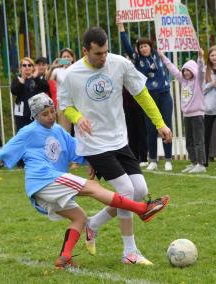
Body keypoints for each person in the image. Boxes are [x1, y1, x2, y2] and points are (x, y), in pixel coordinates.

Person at [0, 93, 170, 269]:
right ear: (35, 115)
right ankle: (142, 208)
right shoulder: (28, 132)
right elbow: (3, 153)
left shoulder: (58, 131)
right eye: (44, 114)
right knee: (93, 187)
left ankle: (64, 258)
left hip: (45, 187)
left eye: (52, 111)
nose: (50, 116)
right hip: (44, 179)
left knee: (80, 218)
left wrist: (92, 162)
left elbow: (79, 150)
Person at [58, 27, 172, 265]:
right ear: (85, 50)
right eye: (98, 53)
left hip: (119, 139)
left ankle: (93, 224)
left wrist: (160, 123)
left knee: (139, 191)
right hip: (94, 144)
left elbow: (141, 94)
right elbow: (65, 106)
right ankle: (129, 252)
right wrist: (78, 118)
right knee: (126, 191)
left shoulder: (120, 64)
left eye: (106, 52)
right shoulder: (71, 74)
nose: (103, 58)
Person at [118, 22, 173, 171]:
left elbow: (164, 38)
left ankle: (168, 159)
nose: (144, 48)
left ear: (150, 46)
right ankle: (153, 160)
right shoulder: (137, 59)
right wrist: (121, 28)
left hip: (165, 95)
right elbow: (127, 47)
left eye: (146, 46)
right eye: (141, 46)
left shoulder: (157, 55)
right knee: (150, 129)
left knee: (166, 125)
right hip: (150, 96)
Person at [159, 49, 206, 173]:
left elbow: (201, 71)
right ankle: (194, 162)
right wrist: (163, 56)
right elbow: (173, 69)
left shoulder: (198, 82)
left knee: (198, 140)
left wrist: (200, 58)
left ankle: (201, 164)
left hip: (197, 115)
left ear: (193, 71)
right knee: (189, 140)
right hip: (187, 115)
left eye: (188, 70)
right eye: (184, 70)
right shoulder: (183, 81)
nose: (185, 72)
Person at [11, 57, 49, 132]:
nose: (27, 67)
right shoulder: (17, 78)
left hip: (37, 113)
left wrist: (35, 78)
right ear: (20, 68)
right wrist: (22, 80)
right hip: (21, 113)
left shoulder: (38, 78)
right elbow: (14, 91)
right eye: (24, 65)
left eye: (29, 65)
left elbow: (46, 88)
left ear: (33, 67)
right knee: (23, 134)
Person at [47, 48, 76, 134]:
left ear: (72, 58)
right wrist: (52, 67)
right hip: (63, 104)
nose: (66, 58)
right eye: (64, 57)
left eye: (68, 56)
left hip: (77, 102)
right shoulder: (57, 70)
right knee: (65, 132)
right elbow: (47, 79)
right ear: (60, 59)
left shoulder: (77, 69)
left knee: (79, 132)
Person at [123, 87, 148, 167]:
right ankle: (134, 158)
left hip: (139, 107)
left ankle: (144, 158)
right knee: (131, 134)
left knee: (142, 133)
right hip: (127, 107)